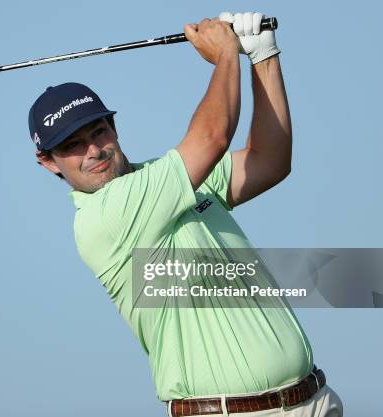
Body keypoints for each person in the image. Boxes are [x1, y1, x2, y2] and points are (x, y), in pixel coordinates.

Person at [27, 12, 343, 417]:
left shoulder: (168, 176)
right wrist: (227, 52)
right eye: (72, 145)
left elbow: (270, 161)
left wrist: (263, 57)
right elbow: (212, 137)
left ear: (114, 128)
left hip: (313, 400)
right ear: (48, 162)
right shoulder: (102, 218)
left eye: (98, 132)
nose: (93, 151)